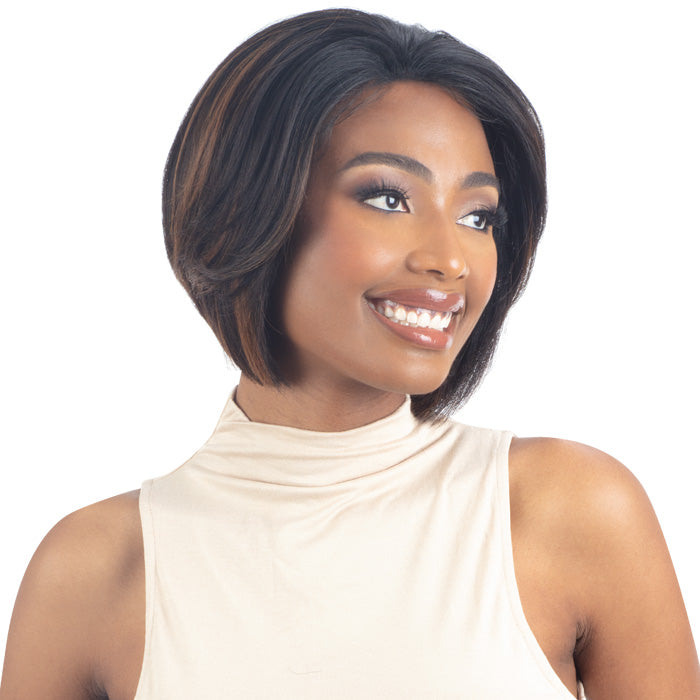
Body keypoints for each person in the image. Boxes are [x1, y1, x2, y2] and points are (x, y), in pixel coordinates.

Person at [1, 8, 699, 699]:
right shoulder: (92, 573)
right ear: (248, 209)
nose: (452, 259)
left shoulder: (570, 510)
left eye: (477, 215)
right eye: (388, 198)